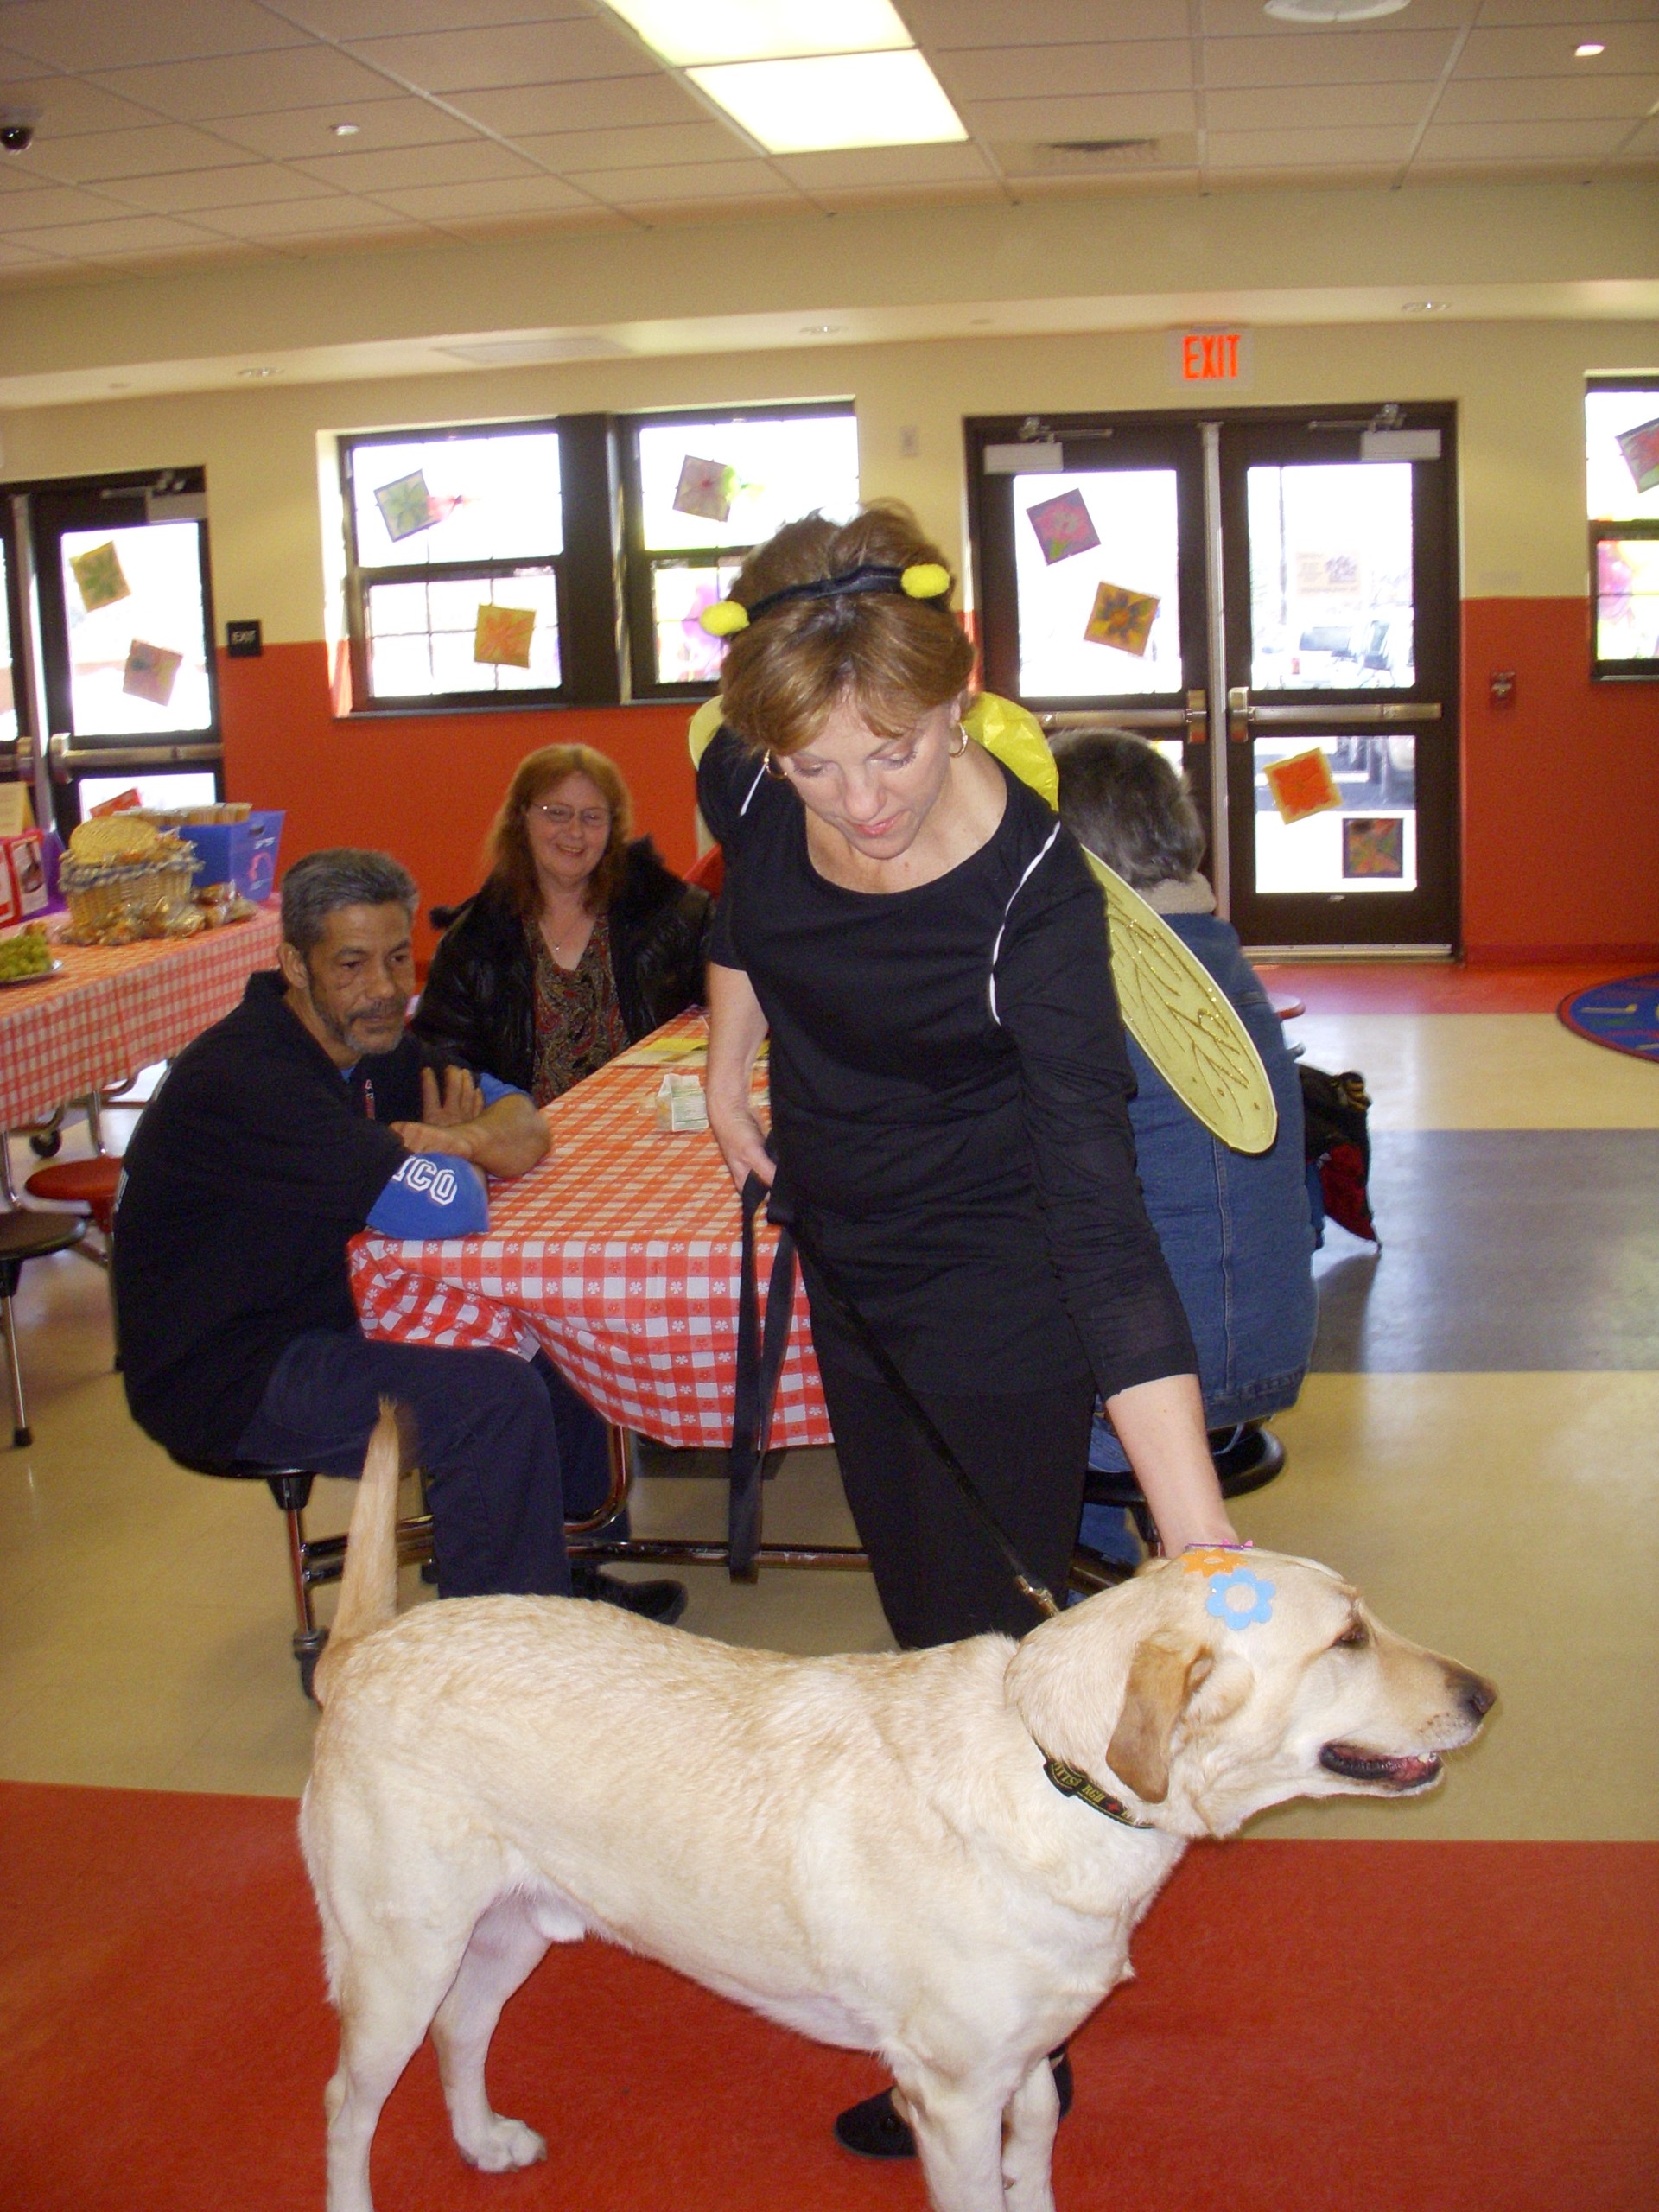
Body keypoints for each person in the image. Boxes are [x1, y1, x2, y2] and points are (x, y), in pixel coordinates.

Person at [694, 504, 1239, 2158]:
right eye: (817, 771)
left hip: (1001, 1286)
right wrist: (731, 1053)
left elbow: (1101, 1225)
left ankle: (1004, 2038)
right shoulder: (746, 766)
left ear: (963, 696)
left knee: (968, 1661)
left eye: (898, 753)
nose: (857, 806)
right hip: (847, 1259)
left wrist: (1196, 1528)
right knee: (920, 1639)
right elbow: (746, 910)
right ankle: (963, 1987)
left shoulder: (1035, 904)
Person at [113, 847, 683, 1623]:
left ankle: (558, 1578)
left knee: (549, 1327)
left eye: (393, 957)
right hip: (230, 1367)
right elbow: (448, 1208)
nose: (384, 989)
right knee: (488, 1397)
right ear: (294, 963)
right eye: (351, 964)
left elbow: (523, 1121)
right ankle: (496, 1659)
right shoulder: (253, 1080)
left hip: (330, 1308)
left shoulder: (372, 1050)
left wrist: (460, 1142)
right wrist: (458, 1156)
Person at [1052, 730, 1318, 1567]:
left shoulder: (1107, 984)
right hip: (1260, 1345)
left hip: (1177, 1373)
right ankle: (1124, 1550)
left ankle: (1081, 1579)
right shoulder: (1210, 955)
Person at [413, 743, 712, 1103]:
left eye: (592, 817)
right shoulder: (474, 941)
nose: (575, 832)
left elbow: (733, 1006)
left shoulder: (672, 917)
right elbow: (445, 1063)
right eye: (556, 813)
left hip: (651, 1129)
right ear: (521, 817)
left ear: (612, 828)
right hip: (522, 1142)